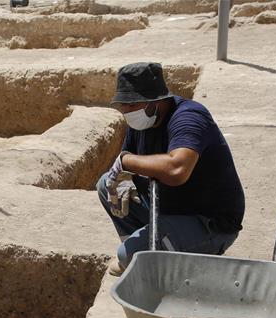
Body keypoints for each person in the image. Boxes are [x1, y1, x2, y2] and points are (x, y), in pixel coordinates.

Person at [97, 62, 244, 275]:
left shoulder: (189, 117)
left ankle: (147, 255)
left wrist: (127, 162)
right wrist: (123, 172)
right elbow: (125, 166)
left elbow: (177, 171)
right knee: (106, 185)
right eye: (123, 105)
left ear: (155, 101)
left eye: (132, 105)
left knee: (126, 257)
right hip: (169, 209)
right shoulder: (142, 123)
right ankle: (147, 253)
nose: (126, 112)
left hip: (208, 223)